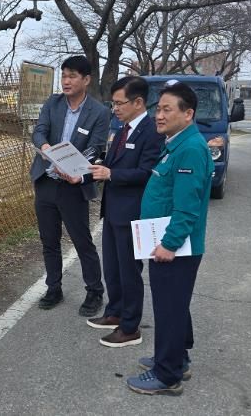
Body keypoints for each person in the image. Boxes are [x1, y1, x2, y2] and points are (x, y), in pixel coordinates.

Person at [126, 80, 214, 395]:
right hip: (167, 242)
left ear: (188, 113)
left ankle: (167, 375)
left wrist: (169, 244)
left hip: (175, 247)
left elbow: (187, 208)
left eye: (167, 109)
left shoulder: (189, 149)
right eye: (158, 109)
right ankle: (178, 358)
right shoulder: (177, 143)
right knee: (174, 305)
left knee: (169, 308)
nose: (159, 115)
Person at [85, 76, 164, 347]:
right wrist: (91, 169)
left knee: (129, 271)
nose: (115, 108)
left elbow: (147, 173)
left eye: (120, 103)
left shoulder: (151, 132)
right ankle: (115, 312)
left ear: (138, 102)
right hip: (113, 209)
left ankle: (130, 327)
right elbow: (112, 163)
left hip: (132, 212)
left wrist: (111, 174)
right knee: (113, 268)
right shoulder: (122, 129)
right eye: (113, 103)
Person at [30, 55, 109, 317]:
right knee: (49, 240)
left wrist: (74, 169)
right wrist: (46, 148)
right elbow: (39, 131)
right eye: (64, 75)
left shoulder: (98, 112)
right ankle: (53, 288)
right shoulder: (52, 103)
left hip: (73, 186)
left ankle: (94, 291)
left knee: (81, 241)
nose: (66, 81)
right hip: (46, 181)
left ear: (86, 80)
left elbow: (95, 147)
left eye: (72, 76)